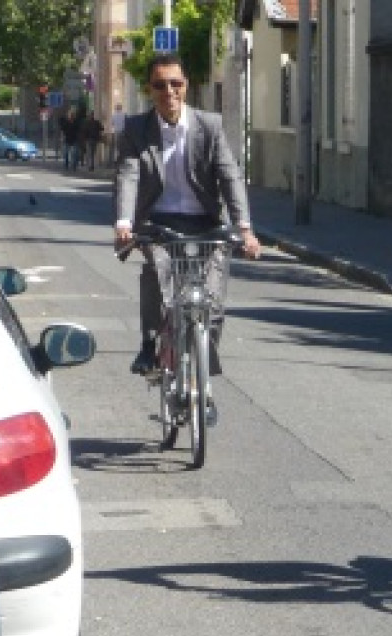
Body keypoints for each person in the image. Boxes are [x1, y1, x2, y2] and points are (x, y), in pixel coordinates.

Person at [113, 52, 261, 402]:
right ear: (149, 89)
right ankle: (151, 344)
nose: (169, 91)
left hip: (205, 223)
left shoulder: (209, 125)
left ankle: (200, 373)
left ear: (186, 86)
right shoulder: (136, 129)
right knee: (156, 271)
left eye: (176, 83)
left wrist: (244, 227)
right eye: (160, 85)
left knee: (211, 301)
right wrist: (123, 223)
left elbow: (229, 175)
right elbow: (128, 176)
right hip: (159, 223)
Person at [59, 107, 81, 171]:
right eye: (70, 114)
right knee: (65, 153)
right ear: (68, 115)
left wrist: (79, 138)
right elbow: (62, 130)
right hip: (67, 139)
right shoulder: (65, 122)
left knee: (74, 153)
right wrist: (62, 137)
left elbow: (79, 130)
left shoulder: (76, 122)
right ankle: (66, 165)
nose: (71, 116)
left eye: (72, 115)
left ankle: (73, 166)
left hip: (74, 139)